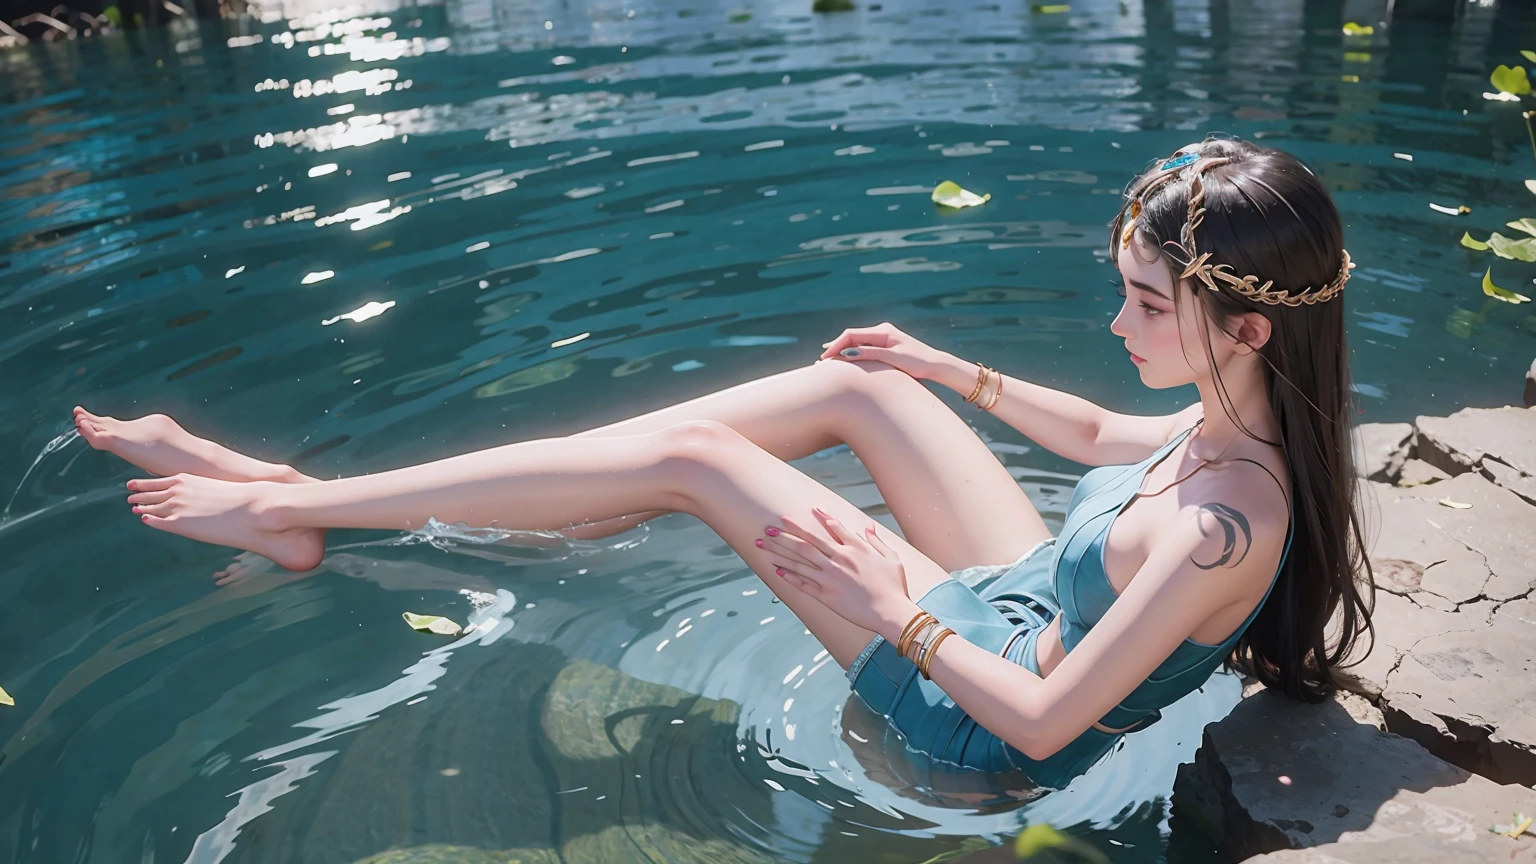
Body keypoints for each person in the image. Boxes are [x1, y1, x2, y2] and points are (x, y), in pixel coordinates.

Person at [72, 137, 1374, 790]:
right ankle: (304, 509)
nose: (1117, 322)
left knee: (694, 457)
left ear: (1246, 324)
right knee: (858, 383)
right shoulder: (1240, 419)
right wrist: (946, 370)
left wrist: (893, 615)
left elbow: (1045, 721)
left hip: (976, 710)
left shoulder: (1228, 524)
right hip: (1023, 599)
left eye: (1146, 303)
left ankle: (287, 506)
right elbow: (1099, 440)